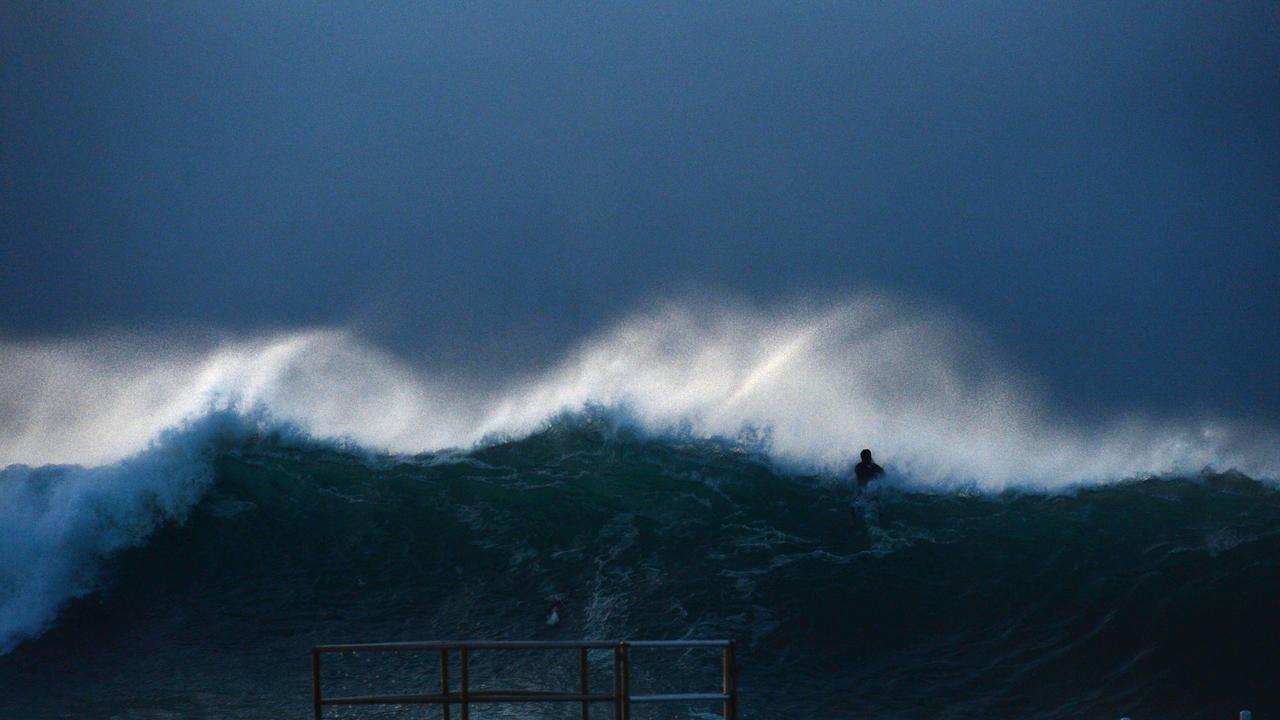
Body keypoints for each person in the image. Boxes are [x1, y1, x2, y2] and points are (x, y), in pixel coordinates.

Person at [848, 448, 884, 526]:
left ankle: (852, 523)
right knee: (876, 505)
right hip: (870, 490)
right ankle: (880, 521)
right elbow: (883, 473)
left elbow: (859, 476)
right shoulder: (874, 467)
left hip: (863, 491)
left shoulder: (859, 466)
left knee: (851, 507)